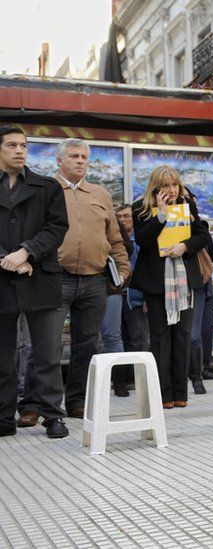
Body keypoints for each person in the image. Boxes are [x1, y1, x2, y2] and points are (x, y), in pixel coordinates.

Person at [18, 138, 129, 423]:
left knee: (88, 344)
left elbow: (114, 237)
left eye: (84, 157)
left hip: (94, 280)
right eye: (74, 156)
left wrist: (123, 269)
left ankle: (77, 401)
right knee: (45, 345)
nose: (81, 161)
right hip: (54, 277)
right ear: (59, 160)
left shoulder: (100, 193)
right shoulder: (44, 190)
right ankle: (32, 404)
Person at [0, 125, 70, 438]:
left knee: (46, 353)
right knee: (3, 354)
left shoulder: (47, 187)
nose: (19, 151)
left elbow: (57, 228)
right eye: (12, 145)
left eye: (24, 146)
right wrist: (9, 259)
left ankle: (53, 415)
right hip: (3, 277)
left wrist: (28, 252)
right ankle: (3, 418)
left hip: (40, 277)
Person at [130, 166, 210, 408]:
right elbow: (143, 241)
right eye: (165, 186)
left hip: (184, 280)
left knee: (183, 336)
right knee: (160, 337)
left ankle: (180, 394)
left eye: (174, 185)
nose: (171, 190)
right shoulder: (140, 208)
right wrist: (161, 216)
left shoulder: (187, 205)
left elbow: (203, 235)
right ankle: (163, 395)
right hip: (156, 283)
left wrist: (185, 246)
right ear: (156, 188)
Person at [115, 203, 150, 395]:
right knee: (118, 340)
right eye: (119, 217)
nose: (122, 220)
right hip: (116, 295)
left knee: (138, 340)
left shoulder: (141, 241)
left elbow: (145, 271)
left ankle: (138, 378)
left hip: (136, 296)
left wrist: (147, 298)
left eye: (126, 216)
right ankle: (122, 380)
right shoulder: (114, 240)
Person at [101, 206, 134, 396]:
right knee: (87, 338)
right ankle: (92, 383)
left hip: (110, 284)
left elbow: (127, 247)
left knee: (112, 336)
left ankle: (119, 382)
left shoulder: (112, 223)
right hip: (79, 282)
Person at [186, 190, 213, 395]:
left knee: (201, 331)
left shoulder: (201, 227)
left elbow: (211, 253)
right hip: (181, 283)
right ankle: (191, 376)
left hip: (202, 281)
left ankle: (200, 372)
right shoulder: (167, 223)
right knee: (190, 333)